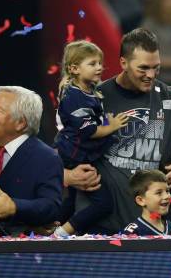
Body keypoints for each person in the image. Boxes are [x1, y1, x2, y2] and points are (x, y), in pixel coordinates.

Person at [66, 27, 171, 234]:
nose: (151, 75)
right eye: (143, 68)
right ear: (123, 63)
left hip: (150, 234)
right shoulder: (93, 98)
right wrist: (68, 176)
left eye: (156, 68)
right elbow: (62, 148)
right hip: (98, 230)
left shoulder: (170, 98)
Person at [52, 41, 128, 236]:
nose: (99, 67)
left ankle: (53, 230)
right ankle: (61, 233)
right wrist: (112, 127)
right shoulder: (74, 97)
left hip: (78, 154)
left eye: (100, 63)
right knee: (103, 203)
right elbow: (89, 131)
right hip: (73, 156)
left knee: (70, 201)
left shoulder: (88, 90)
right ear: (74, 68)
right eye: (93, 63)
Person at [0, 86, 63, 236]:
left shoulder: (46, 157)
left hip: (16, 253)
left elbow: (51, 206)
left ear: (21, 123)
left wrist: (14, 207)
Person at [123, 169, 171, 235]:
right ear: (141, 200)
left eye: (167, 191)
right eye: (159, 193)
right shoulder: (132, 232)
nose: (167, 196)